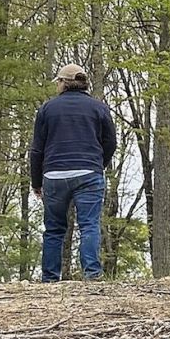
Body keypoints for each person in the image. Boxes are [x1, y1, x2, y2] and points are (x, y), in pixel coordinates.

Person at [31, 63, 116, 282]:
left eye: (58, 81)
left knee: (53, 228)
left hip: (54, 175)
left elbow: (37, 149)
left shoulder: (47, 109)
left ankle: (50, 278)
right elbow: (110, 142)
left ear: (64, 83)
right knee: (89, 225)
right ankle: (92, 274)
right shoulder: (99, 108)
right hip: (89, 173)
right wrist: (99, 164)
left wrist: (36, 181)